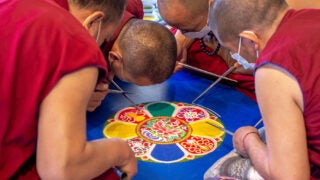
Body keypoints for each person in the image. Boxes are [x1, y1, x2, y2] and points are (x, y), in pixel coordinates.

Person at [0, 0, 138, 179]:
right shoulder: (76, 40)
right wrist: (121, 151)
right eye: (104, 39)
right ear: (94, 22)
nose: (99, 47)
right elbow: (61, 170)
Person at [205, 0, 320, 179]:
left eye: (231, 49)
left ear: (249, 40)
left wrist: (249, 140)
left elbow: (290, 177)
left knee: (218, 172)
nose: (235, 57)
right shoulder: (312, 15)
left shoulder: (273, 67)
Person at [87, 0, 177, 112]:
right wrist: (80, 97)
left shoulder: (135, 5)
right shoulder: (84, 41)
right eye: (130, 80)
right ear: (114, 58)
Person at [157, 0, 256, 101]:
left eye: (190, 30)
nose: (184, 33)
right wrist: (179, 41)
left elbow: (250, 62)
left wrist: (225, 51)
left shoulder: (244, 12)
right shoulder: (195, 22)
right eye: (180, 28)